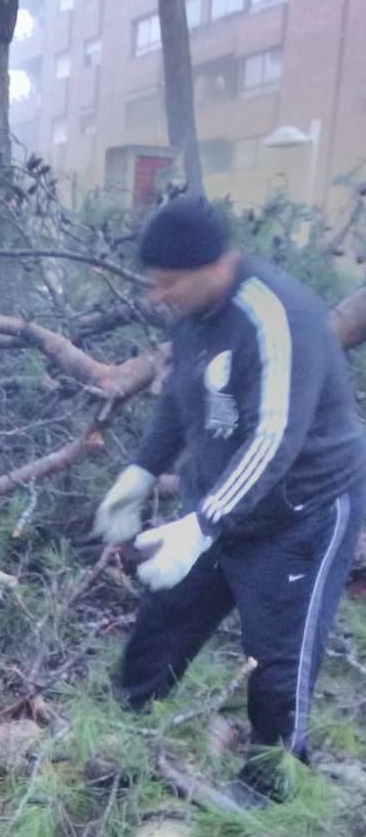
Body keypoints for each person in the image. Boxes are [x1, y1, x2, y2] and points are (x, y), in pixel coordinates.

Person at [94, 196, 366, 803]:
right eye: (153, 284)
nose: (158, 295)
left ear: (214, 265)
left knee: (277, 660)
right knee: (161, 622)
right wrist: (141, 470)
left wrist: (202, 524)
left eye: (168, 283)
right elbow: (179, 398)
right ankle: (118, 739)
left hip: (303, 511)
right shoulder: (193, 314)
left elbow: (275, 440)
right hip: (221, 507)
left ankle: (269, 795)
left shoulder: (275, 316)